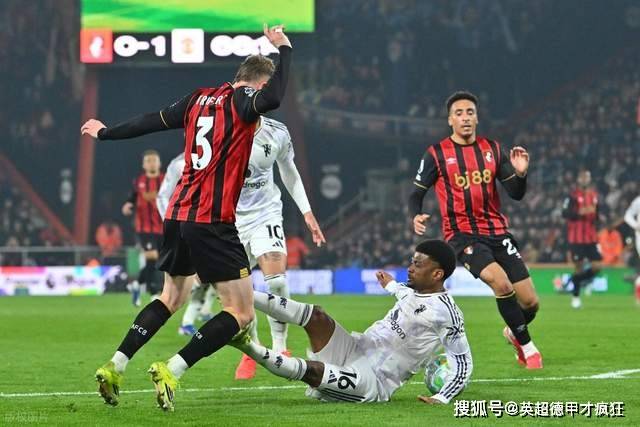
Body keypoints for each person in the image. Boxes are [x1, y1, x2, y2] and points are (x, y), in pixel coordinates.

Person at [81, 24, 292, 411]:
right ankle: (172, 369)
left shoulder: (198, 99)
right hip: (212, 219)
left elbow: (150, 120)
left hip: (178, 214)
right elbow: (274, 97)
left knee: (170, 296)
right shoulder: (244, 99)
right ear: (256, 85)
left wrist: (106, 133)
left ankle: (115, 364)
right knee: (241, 312)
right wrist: (284, 49)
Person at [156, 122, 326, 381]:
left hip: (265, 214)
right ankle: (253, 349)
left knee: (277, 280)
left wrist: (307, 212)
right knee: (238, 295)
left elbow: (289, 169)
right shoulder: (218, 130)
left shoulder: (277, 132)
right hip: (227, 220)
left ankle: (280, 346)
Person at [231, 240, 472, 404]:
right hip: (355, 348)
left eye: (417, 265)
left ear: (437, 274)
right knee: (317, 316)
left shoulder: (446, 313)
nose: (410, 268)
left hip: (373, 381)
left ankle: (245, 344)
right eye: (412, 261)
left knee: (313, 371)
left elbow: (462, 363)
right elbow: (402, 292)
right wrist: (389, 284)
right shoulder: (412, 292)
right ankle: (242, 294)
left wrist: (441, 397)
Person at [408, 91, 542, 369]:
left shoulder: (493, 149)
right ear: (450, 120)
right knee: (501, 284)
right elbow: (416, 193)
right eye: (459, 113)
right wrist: (415, 215)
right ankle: (529, 349)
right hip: (462, 235)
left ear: (477, 118)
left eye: (470, 112)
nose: (465, 118)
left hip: (497, 232)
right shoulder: (436, 154)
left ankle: (513, 332)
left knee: (530, 303)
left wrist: (520, 174)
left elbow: (516, 193)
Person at [123, 150, 165, 305]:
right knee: (152, 257)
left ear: (159, 163)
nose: (151, 163)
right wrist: (128, 205)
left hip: (163, 227)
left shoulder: (167, 179)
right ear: (143, 165)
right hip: (144, 227)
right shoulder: (139, 181)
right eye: (148, 161)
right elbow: (132, 197)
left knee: (157, 262)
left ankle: (136, 284)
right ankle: (154, 292)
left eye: (154, 160)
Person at [561, 169, 602, 309]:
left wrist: (598, 219)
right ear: (578, 179)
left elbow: (597, 214)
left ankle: (573, 280)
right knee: (578, 268)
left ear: (590, 179)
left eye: (587, 177)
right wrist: (580, 212)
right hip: (576, 239)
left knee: (597, 266)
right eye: (582, 177)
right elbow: (564, 213)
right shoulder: (572, 196)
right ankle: (576, 298)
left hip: (591, 238)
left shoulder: (594, 195)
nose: (585, 179)